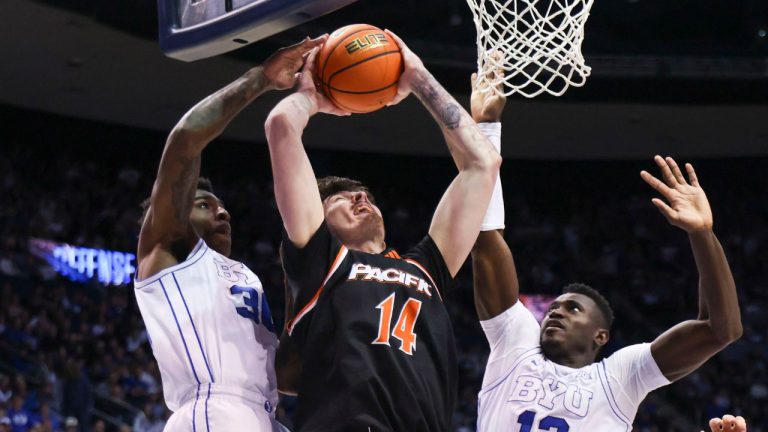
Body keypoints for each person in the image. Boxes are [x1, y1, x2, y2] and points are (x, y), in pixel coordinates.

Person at [264, 31, 501, 431]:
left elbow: (484, 165)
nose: (361, 199)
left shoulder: (425, 267)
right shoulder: (322, 260)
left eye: (366, 195)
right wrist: (313, 96)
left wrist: (417, 76)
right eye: (343, 198)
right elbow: (281, 125)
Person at [134, 36, 326, 431]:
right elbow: (185, 143)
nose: (222, 211)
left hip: (265, 415)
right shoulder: (170, 253)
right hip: (213, 409)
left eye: (222, 206)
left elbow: (287, 376)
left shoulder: (245, 276)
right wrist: (260, 80)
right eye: (204, 204)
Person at [470, 153, 742, 430]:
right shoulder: (517, 348)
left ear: (600, 336)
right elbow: (487, 242)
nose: (556, 312)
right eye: (553, 308)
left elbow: (720, 330)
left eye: (572, 308)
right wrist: (488, 130)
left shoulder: (619, 377)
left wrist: (702, 235)